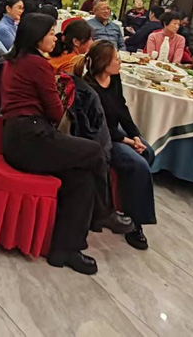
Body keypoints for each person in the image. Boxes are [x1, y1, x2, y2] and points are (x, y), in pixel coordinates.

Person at [0, 13, 113, 274]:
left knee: (83, 177)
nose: (55, 37)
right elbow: (56, 112)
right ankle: (104, 211)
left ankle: (65, 250)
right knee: (95, 151)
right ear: (37, 37)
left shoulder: (14, 59)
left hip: (15, 137)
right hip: (32, 138)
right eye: (51, 33)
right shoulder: (38, 64)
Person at [77, 41, 156, 250]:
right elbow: (98, 126)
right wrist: (127, 141)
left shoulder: (114, 79)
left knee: (148, 152)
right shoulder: (89, 88)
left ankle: (127, 205)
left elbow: (121, 108)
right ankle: (136, 224)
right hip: (102, 138)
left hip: (117, 132)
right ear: (104, 63)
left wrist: (135, 135)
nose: (120, 62)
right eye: (117, 59)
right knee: (138, 165)